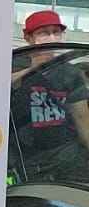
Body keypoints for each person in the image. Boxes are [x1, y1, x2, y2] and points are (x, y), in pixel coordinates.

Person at [11, 9, 89, 182]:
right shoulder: (13, 63)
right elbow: (0, 88)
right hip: (27, 160)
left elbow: (83, 121)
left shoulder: (70, 73)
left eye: (56, 32)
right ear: (28, 37)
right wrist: (33, 68)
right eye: (44, 33)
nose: (51, 37)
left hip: (68, 157)